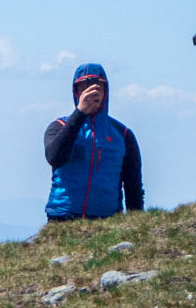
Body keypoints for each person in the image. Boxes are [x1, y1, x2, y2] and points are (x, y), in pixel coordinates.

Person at [44, 63, 144, 220]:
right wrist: (79, 113)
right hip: (63, 217)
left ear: (106, 91)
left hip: (107, 220)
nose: (91, 92)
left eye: (97, 87)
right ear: (76, 92)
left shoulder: (123, 135)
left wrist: (137, 227)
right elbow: (54, 157)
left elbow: (133, 187)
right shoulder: (59, 126)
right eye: (84, 87)